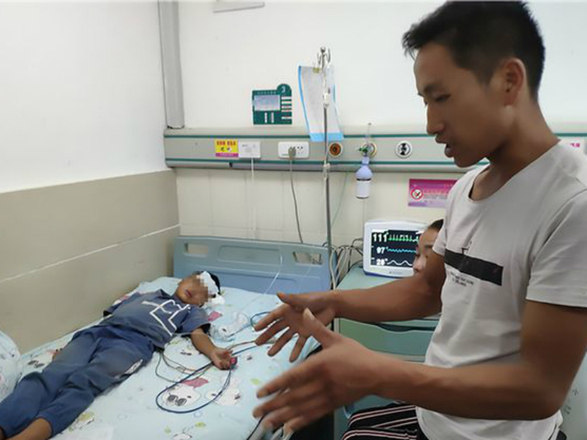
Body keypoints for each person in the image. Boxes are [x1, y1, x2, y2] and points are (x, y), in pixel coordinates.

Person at [252, 2, 587, 440]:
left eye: (441, 97)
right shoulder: (467, 189)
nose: (430, 123)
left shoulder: (571, 204)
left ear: (509, 80)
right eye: (425, 101)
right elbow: (429, 289)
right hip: (437, 422)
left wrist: (378, 373)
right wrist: (335, 301)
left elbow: (539, 389)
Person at [0, 271, 232, 440]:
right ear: (182, 279)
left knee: (84, 382)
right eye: (195, 280)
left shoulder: (191, 311)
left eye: (204, 292)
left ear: (204, 302)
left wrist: (213, 351)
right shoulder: (145, 294)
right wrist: (70, 347)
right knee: (51, 374)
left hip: (133, 345)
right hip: (96, 333)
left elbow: (198, 335)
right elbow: (109, 317)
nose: (196, 289)